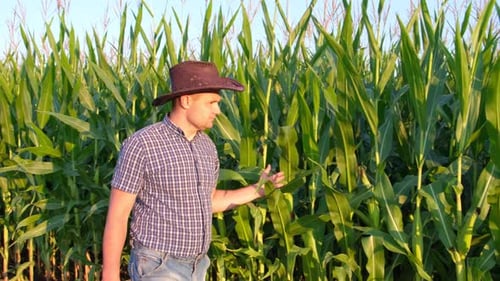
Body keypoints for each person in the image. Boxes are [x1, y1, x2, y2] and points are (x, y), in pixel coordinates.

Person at [102, 60, 285, 281]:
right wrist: (110, 275)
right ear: (186, 100)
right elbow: (118, 215)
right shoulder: (143, 144)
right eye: (212, 102)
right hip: (157, 265)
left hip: (198, 266)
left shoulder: (206, 146)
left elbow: (209, 201)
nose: (218, 110)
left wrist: (258, 190)